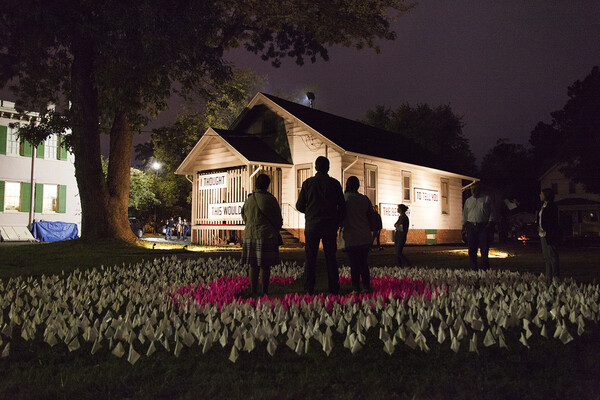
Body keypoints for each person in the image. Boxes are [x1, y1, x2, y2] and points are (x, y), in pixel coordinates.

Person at [296, 156, 345, 295]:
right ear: (328, 167)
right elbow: (342, 206)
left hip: (312, 225)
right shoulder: (335, 184)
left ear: (315, 167)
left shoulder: (307, 183)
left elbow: (299, 206)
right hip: (329, 225)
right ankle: (334, 288)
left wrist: (310, 211)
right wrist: (337, 222)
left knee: (310, 258)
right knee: (331, 257)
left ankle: (309, 287)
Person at [241, 173, 283, 296]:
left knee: (253, 266)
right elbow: (278, 219)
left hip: (250, 235)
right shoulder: (270, 199)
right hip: (266, 235)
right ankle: (265, 291)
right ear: (267, 185)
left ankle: (253, 290)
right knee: (265, 266)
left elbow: (244, 215)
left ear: (256, 184)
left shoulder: (249, 199)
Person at [340, 176, 374, 293]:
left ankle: (355, 287)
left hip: (351, 236)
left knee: (354, 264)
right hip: (364, 236)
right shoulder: (364, 199)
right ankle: (365, 286)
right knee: (363, 263)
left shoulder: (344, 199)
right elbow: (371, 215)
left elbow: (340, 217)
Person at [462, 182, 494, 270]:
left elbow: (491, 212)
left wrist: (489, 224)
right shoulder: (468, 201)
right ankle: (473, 269)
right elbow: (465, 214)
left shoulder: (486, 199)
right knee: (472, 249)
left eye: (475, 189)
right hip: (471, 226)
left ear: (479, 189)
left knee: (484, 249)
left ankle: (484, 269)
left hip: (482, 226)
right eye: (472, 189)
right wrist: (464, 226)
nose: (474, 191)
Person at [537, 188, 560, 278]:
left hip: (550, 234)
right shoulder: (542, 206)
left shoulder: (552, 206)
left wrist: (544, 228)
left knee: (552, 256)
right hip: (542, 234)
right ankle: (548, 276)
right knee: (546, 257)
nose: (540, 195)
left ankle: (555, 276)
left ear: (546, 195)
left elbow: (551, 221)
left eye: (541, 194)